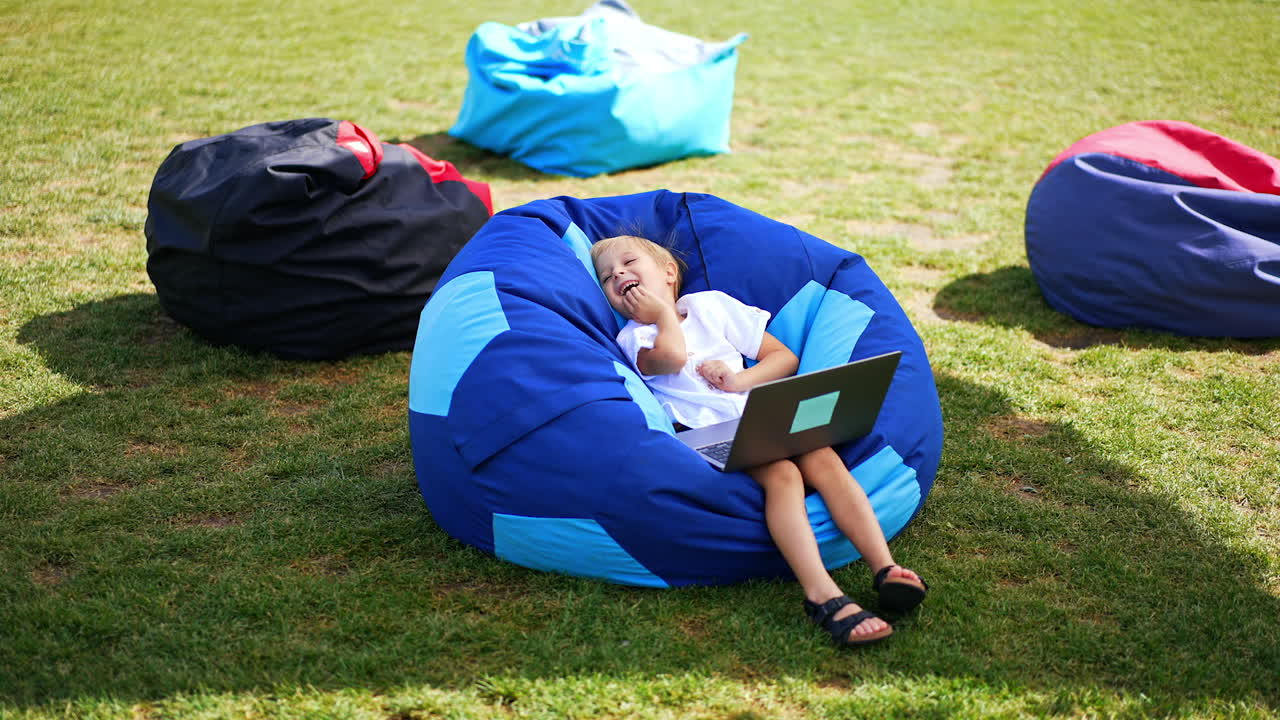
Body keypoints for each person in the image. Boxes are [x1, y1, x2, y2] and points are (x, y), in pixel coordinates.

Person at [591, 234, 929, 647]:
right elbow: (673, 358)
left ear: (668, 273)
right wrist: (662, 315)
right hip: (703, 436)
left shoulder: (710, 305)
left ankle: (885, 568)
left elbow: (784, 358)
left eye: (628, 263)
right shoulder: (635, 337)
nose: (618, 274)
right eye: (607, 277)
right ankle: (821, 593)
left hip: (757, 415)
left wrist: (739, 380)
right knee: (784, 475)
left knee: (823, 456)